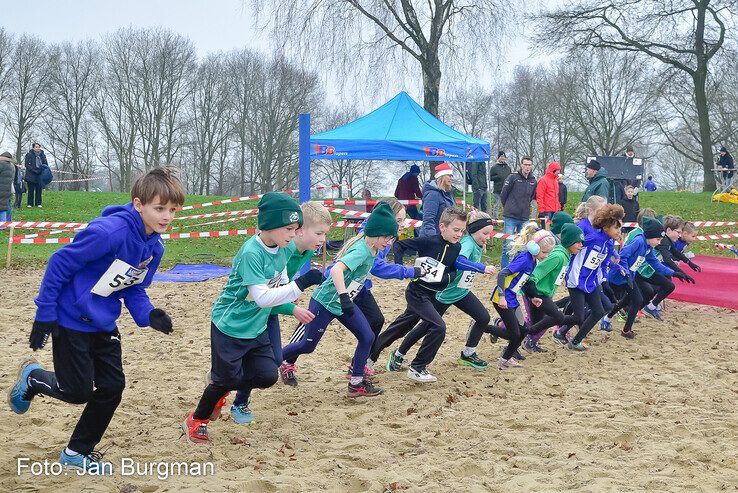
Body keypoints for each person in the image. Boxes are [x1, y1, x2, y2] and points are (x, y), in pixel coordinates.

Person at [8, 167, 185, 471]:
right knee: (77, 392)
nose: (167, 216)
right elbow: (59, 263)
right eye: (159, 208)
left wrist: (148, 314)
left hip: (103, 322)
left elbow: (135, 287)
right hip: (69, 318)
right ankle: (34, 378)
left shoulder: (155, 246)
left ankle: (76, 453)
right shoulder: (109, 232)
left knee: (112, 387)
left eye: (172, 209)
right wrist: (45, 313)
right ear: (138, 204)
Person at [182, 192, 325, 444]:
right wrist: (301, 284)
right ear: (269, 225)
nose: (293, 235)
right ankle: (197, 419)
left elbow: (280, 283)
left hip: (257, 326)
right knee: (224, 379)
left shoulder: (281, 249)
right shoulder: (252, 252)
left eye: (296, 229)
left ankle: (222, 385)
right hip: (230, 325)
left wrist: (291, 300)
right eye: (289, 229)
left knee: (267, 375)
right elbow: (262, 297)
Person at [282, 197, 421, 382]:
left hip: (356, 288)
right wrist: (409, 271)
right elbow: (372, 267)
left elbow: (369, 267)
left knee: (373, 325)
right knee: (308, 336)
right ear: (384, 222)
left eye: (403, 221)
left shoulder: (384, 240)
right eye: (398, 221)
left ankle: (357, 371)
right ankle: (284, 360)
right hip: (334, 290)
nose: (402, 225)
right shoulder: (369, 240)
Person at [226, 201, 331, 424]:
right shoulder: (284, 249)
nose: (323, 239)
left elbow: (280, 287)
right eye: (319, 233)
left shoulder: (303, 251)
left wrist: (290, 294)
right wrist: (292, 308)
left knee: (274, 360)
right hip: (250, 309)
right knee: (253, 362)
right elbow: (262, 295)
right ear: (300, 231)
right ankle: (237, 399)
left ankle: (229, 388)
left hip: (268, 307)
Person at [369, 207, 469, 383]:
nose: (459, 234)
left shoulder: (457, 247)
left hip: (432, 296)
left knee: (399, 328)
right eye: (455, 230)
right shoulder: (428, 241)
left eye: (462, 231)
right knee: (438, 327)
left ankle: (369, 357)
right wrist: (400, 267)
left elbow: (453, 269)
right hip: (416, 292)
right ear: (442, 227)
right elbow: (400, 245)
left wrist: (447, 277)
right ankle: (417, 367)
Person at [392, 211, 497, 371]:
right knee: (427, 326)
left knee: (483, 317)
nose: (488, 237)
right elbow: (460, 262)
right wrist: (482, 268)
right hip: (444, 293)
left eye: (490, 234)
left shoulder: (476, 244)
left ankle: (468, 353)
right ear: (474, 230)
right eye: (485, 233)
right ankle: (399, 353)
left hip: (461, 292)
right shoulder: (467, 243)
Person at [554, 205, 627, 350]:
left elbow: (605, 262)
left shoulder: (609, 243)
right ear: (606, 227)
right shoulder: (593, 238)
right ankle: (549, 318)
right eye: (616, 228)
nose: (619, 231)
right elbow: (571, 245)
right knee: (578, 317)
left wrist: (619, 268)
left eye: (620, 227)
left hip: (591, 282)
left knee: (599, 311)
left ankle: (575, 342)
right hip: (576, 280)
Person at [490, 223, 556, 368]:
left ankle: (506, 358)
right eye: (544, 253)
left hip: (512, 298)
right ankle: (483, 327)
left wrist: (532, 297)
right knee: (514, 333)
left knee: (524, 330)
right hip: (502, 297)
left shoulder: (533, 261)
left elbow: (522, 282)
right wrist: (501, 296)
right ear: (535, 247)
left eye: (548, 253)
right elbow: (502, 273)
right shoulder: (524, 259)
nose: (546, 256)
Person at [601, 218, 675, 339]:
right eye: (658, 239)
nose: (659, 242)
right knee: (598, 301)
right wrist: (626, 272)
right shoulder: (639, 241)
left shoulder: (648, 246)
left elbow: (655, 263)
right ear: (650, 236)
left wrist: (674, 272)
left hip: (629, 278)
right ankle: (605, 318)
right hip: (618, 277)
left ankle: (625, 329)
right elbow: (623, 255)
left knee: (636, 299)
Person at [520, 223, 584, 351]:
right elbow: (537, 272)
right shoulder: (558, 257)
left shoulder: (566, 257)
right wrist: (532, 290)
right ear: (569, 242)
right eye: (578, 242)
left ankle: (528, 340)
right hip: (535, 292)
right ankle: (519, 332)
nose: (581, 246)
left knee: (539, 322)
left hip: (545, 293)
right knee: (555, 317)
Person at [499, 156, 537, 267]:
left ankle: (517, 267)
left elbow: (532, 197)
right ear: (521, 165)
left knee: (523, 245)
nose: (527, 167)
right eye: (525, 164)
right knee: (507, 244)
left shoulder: (533, 180)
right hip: (510, 216)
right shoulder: (513, 177)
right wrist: (508, 207)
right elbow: (503, 194)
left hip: (524, 217)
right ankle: (504, 269)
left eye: (529, 165)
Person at [418, 161, 455, 237]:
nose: (451, 178)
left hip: (444, 236)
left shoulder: (448, 194)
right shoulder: (433, 194)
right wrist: (433, 239)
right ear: (442, 176)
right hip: (432, 237)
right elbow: (428, 220)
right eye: (449, 175)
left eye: (452, 176)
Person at [24, 142, 48, 208]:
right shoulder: (29, 154)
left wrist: (41, 170)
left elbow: (45, 164)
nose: (38, 148)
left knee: (39, 190)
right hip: (31, 175)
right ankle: (30, 203)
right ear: (33, 148)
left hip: (39, 175)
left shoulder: (42, 155)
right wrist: (34, 170)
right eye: (36, 147)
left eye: (38, 147)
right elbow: (27, 164)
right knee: (31, 190)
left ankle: (38, 203)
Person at [489, 151, 511, 219]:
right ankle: (495, 218)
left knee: (507, 205)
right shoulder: (494, 167)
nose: (503, 158)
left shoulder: (508, 168)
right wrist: (498, 177)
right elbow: (490, 178)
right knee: (496, 205)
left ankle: (507, 218)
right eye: (501, 157)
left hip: (507, 190)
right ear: (498, 158)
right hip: (498, 189)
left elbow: (511, 177)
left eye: (504, 157)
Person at [0, 151, 14, 224]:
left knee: (2, 207)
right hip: (7, 189)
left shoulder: (1, 164)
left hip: (1, 188)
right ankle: (6, 223)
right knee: (5, 206)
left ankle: (2, 224)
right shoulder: (10, 166)